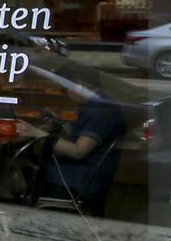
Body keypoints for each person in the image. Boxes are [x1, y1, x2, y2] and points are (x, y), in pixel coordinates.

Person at [31, 65, 128, 214]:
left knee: (23, 168)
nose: (65, 93)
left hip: (78, 181)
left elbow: (78, 151)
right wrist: (61, 126)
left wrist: (35, 132)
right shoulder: (99, 103)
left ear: (80, 84)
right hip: (85, 176)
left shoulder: (100, 110)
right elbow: (82, 136)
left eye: (65, 88)